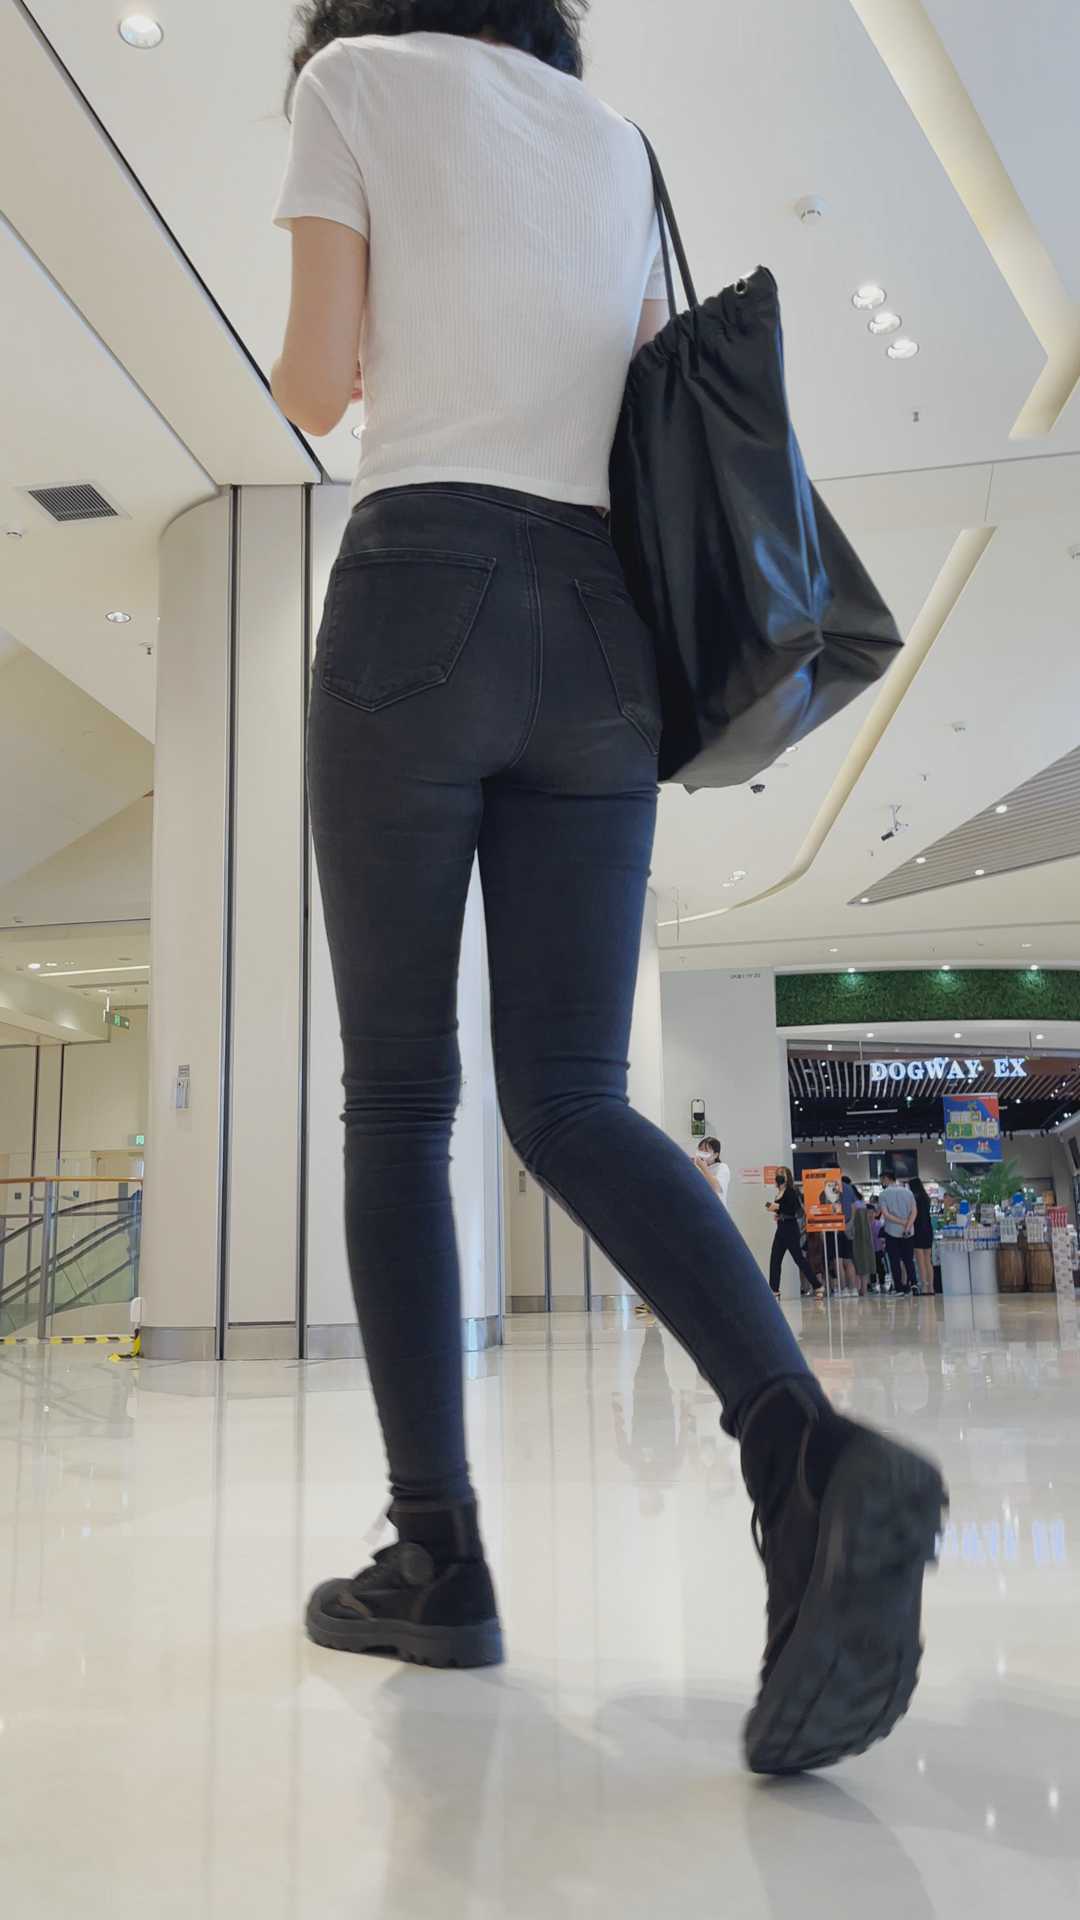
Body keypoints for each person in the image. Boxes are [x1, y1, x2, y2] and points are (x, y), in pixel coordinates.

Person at [272, 0, 944, 1777]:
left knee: (400, 1098)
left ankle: (439, 1558)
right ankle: (797, 1445)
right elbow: (638, 378)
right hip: (602, 636)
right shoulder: (614, 143)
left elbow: (315, 382)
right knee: (571, 1095)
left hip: (420, 590)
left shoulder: (351, 84)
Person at [768, 1170, 822, 1298]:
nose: (778, 1176)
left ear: (787, 1177)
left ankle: (818, 1285)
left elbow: (794, 1209)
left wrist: (779, 1209)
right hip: (781, 1228)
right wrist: (778, 1214)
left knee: (799, 1259)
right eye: (777, 1174)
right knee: (775, 1259)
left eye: (781, 1174)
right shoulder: (779, 1193)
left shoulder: (791, 1192)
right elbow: (784, 1209)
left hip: (790, 1229)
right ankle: (774, 1290)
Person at [879, 1171, 918, 1295]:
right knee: (908, 1260)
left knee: (894, 1261)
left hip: (892, 1232)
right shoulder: (908, 1192)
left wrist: (901, 1222)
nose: (881, 1182)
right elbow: (914, 1212)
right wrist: (907, 1225)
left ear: (886, 1179)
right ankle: (914, 1285)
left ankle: (899, 1288)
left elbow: (886, 1214)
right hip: (908, 1232)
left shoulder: (883, 1194)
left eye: (882, 1179)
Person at [909, 1176, 935, 1296]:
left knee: (920, 1261)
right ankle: (931, 1287)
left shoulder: (915, 1199)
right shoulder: (926, 1198)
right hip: (928, 1230)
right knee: (928, 1260)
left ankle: (924, 1287)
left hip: (918, 1230)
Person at [837, 1173, 860, 1297]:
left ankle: (843, 1289)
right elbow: (854, 1207)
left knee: (838, 1260)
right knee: (848, 1260)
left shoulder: (829, 1186)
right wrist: (850, 1223)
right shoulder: (848, 1188)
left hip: (835, 1228)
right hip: (847, 1227)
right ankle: (853, 1288)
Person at [694, 1137, 731, 1207]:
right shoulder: (697, 1168)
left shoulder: (722, 1167)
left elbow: (717, 1188)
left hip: (716, 1209)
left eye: (706, 1150)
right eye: (700, 1149)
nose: (702, 1153)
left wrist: (704, 1168)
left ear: (715, 1155)